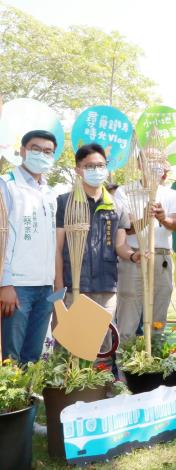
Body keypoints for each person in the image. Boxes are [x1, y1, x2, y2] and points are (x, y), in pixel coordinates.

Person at [55, 143, 133, 364]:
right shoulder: (65, 202)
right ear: (78, 169)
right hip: (74, 286)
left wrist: (135, 255)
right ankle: (72, 395)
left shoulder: (115, 206)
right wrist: (59, 285)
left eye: (100, 165)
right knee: (73, 346)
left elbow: (120, 246)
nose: (96, 170)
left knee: (103, 348)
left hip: (106, 286)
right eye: (89, 166)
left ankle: (102, 392)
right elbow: (57, 248)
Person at [0, 130, 58, 363]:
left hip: (44, 286)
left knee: (33, 356)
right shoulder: (6, 185)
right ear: (23, 151)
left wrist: (53, 284)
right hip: (17, 286)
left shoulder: (49, 193)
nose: (41, 155)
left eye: (48, 151)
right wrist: (5, 282)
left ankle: (28, 401)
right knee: (10, 357)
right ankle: (10, 401)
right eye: (35, 149)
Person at [114, 161, 176, 343]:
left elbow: (175, 224)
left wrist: (163, 218)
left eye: (159, 161)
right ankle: (124, 367)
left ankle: (155, 365)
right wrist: (144, 217)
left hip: (161, 257)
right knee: (128, 316)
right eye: (149, 160)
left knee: (158, 317)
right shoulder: (124, 191)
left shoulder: (172, 194)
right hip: (134, 257)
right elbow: (125, 227)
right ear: (139, 164)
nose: (154, 165)